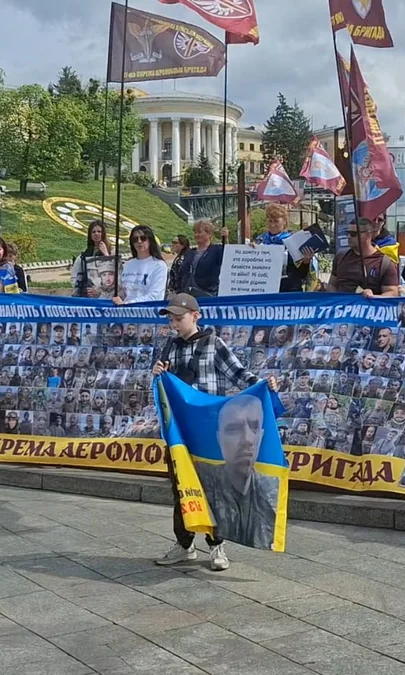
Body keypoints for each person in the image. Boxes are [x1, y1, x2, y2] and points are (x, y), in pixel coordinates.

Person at [151, 293, 275, 571]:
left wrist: (263, 385)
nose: (174, 324)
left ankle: (216, 544)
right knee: (181, 487)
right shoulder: (169, 347)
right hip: (179, 431)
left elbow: (239, 374)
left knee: (215, 487)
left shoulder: (213, 344)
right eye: (171, 319)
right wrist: (157, 373)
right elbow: (162, 389)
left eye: (178, 318)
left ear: (196, 316)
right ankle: (184, 544)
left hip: (208, 429)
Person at [193, 394, 280, 549]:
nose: (247, 439)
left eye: (254, 427)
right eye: (234, 429)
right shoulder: (201, 478)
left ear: (261, 436)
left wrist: (272, 389)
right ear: (219, 438)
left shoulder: (273, 489)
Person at [327, 218, 400, 297]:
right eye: (348, 233)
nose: (349, 237)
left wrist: (373, 297)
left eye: (353, 234)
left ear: (368, 235)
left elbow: (392, 292)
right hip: (342, 303)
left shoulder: (384, 262)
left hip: (369, 303)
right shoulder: (340, 257)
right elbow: (332, 284)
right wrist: (334, 297)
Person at [254, 204, 317, 293]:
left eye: (276, 221)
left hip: (290, 291)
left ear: (284, 222)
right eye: (270, 221)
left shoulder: (294, 240)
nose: (272, 224)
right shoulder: (259, 240)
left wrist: (306, 261)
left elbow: (302, 274)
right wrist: (250, 250)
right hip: (266, 290)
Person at [115, 225, 168, 304]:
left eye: (143, 238)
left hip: (145, 309)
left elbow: (155, 296)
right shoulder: (127, 264)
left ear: (150, 240)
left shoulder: (159, 265)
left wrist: (128, 304)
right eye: (135, 239)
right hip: (123, 309)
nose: (139, 241)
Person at [177, 220, 224, 297]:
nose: (196, 235)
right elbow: (182, 273)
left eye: (199, 232)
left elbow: (227, 254)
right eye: (195, 232)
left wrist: (225, 238)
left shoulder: (217, 250)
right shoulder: (190, 252)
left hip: (208, 293)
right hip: (187, 293)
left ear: (209, 234)